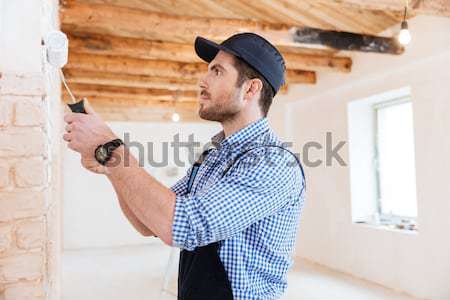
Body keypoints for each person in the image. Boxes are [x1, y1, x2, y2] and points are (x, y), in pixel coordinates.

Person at [63, 32, 305, 300]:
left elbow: (184, 225)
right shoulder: (214, 154)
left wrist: (112, 150)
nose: (203, 80)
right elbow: (149, 223)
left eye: (217, 71)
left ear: (250, 89)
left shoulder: (273, 163)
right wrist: (111, 166)